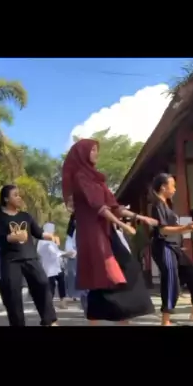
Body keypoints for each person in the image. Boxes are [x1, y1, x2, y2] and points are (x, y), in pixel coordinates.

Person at [61, 138, 157, 324]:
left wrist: (140, 217)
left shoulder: (98, 179)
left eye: (96, 150)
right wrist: (123, 225)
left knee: (114, 276)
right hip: (93, 235)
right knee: (110, 274)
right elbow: (99, 207)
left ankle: (115, 320)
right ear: (83, 154)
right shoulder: (81, 177)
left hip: (107, 232)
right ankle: (117, 320)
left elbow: (114, 207)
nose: (96, 153)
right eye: (93, 150)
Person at [0, 185, 59, 327]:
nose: (19, 197)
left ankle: (49, 320)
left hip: (30, 257)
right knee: (13, 294)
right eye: (15, 195)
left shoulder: (25, 216)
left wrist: (51, 237)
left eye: (19, 195)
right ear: (6, 199)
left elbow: (38, 232)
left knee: (42, 283)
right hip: (10, 261)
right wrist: (12, 237)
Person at [150, 173, 193, 326]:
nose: (174, 189)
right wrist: (186, 228)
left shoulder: (167, 204)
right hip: (164, 246)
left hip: (174, 247)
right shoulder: (157, 205)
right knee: (171, 280)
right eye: (172, 185)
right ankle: (165, 320)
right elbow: (162, 230)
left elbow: (174, 227)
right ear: (163, 187)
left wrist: (189, 227)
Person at [37, 222, 69, 309]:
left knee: (61, 283)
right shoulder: (42, 241)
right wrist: (66, 254)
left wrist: (62, 259)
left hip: (57, 266)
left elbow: (56, 251)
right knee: (51, 285)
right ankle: (48, 304)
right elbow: (54, 252)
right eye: (52, 230)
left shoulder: (52, 240)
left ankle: (62, 302)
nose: (53, 231)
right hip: (49, 268)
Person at [64, 212, 87, 311]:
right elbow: (70, 248)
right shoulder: (72, 234)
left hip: (87, 261)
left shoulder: (87, 230)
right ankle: (87, 309)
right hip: (78, 262)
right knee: (84, 288)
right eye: (75, 219)